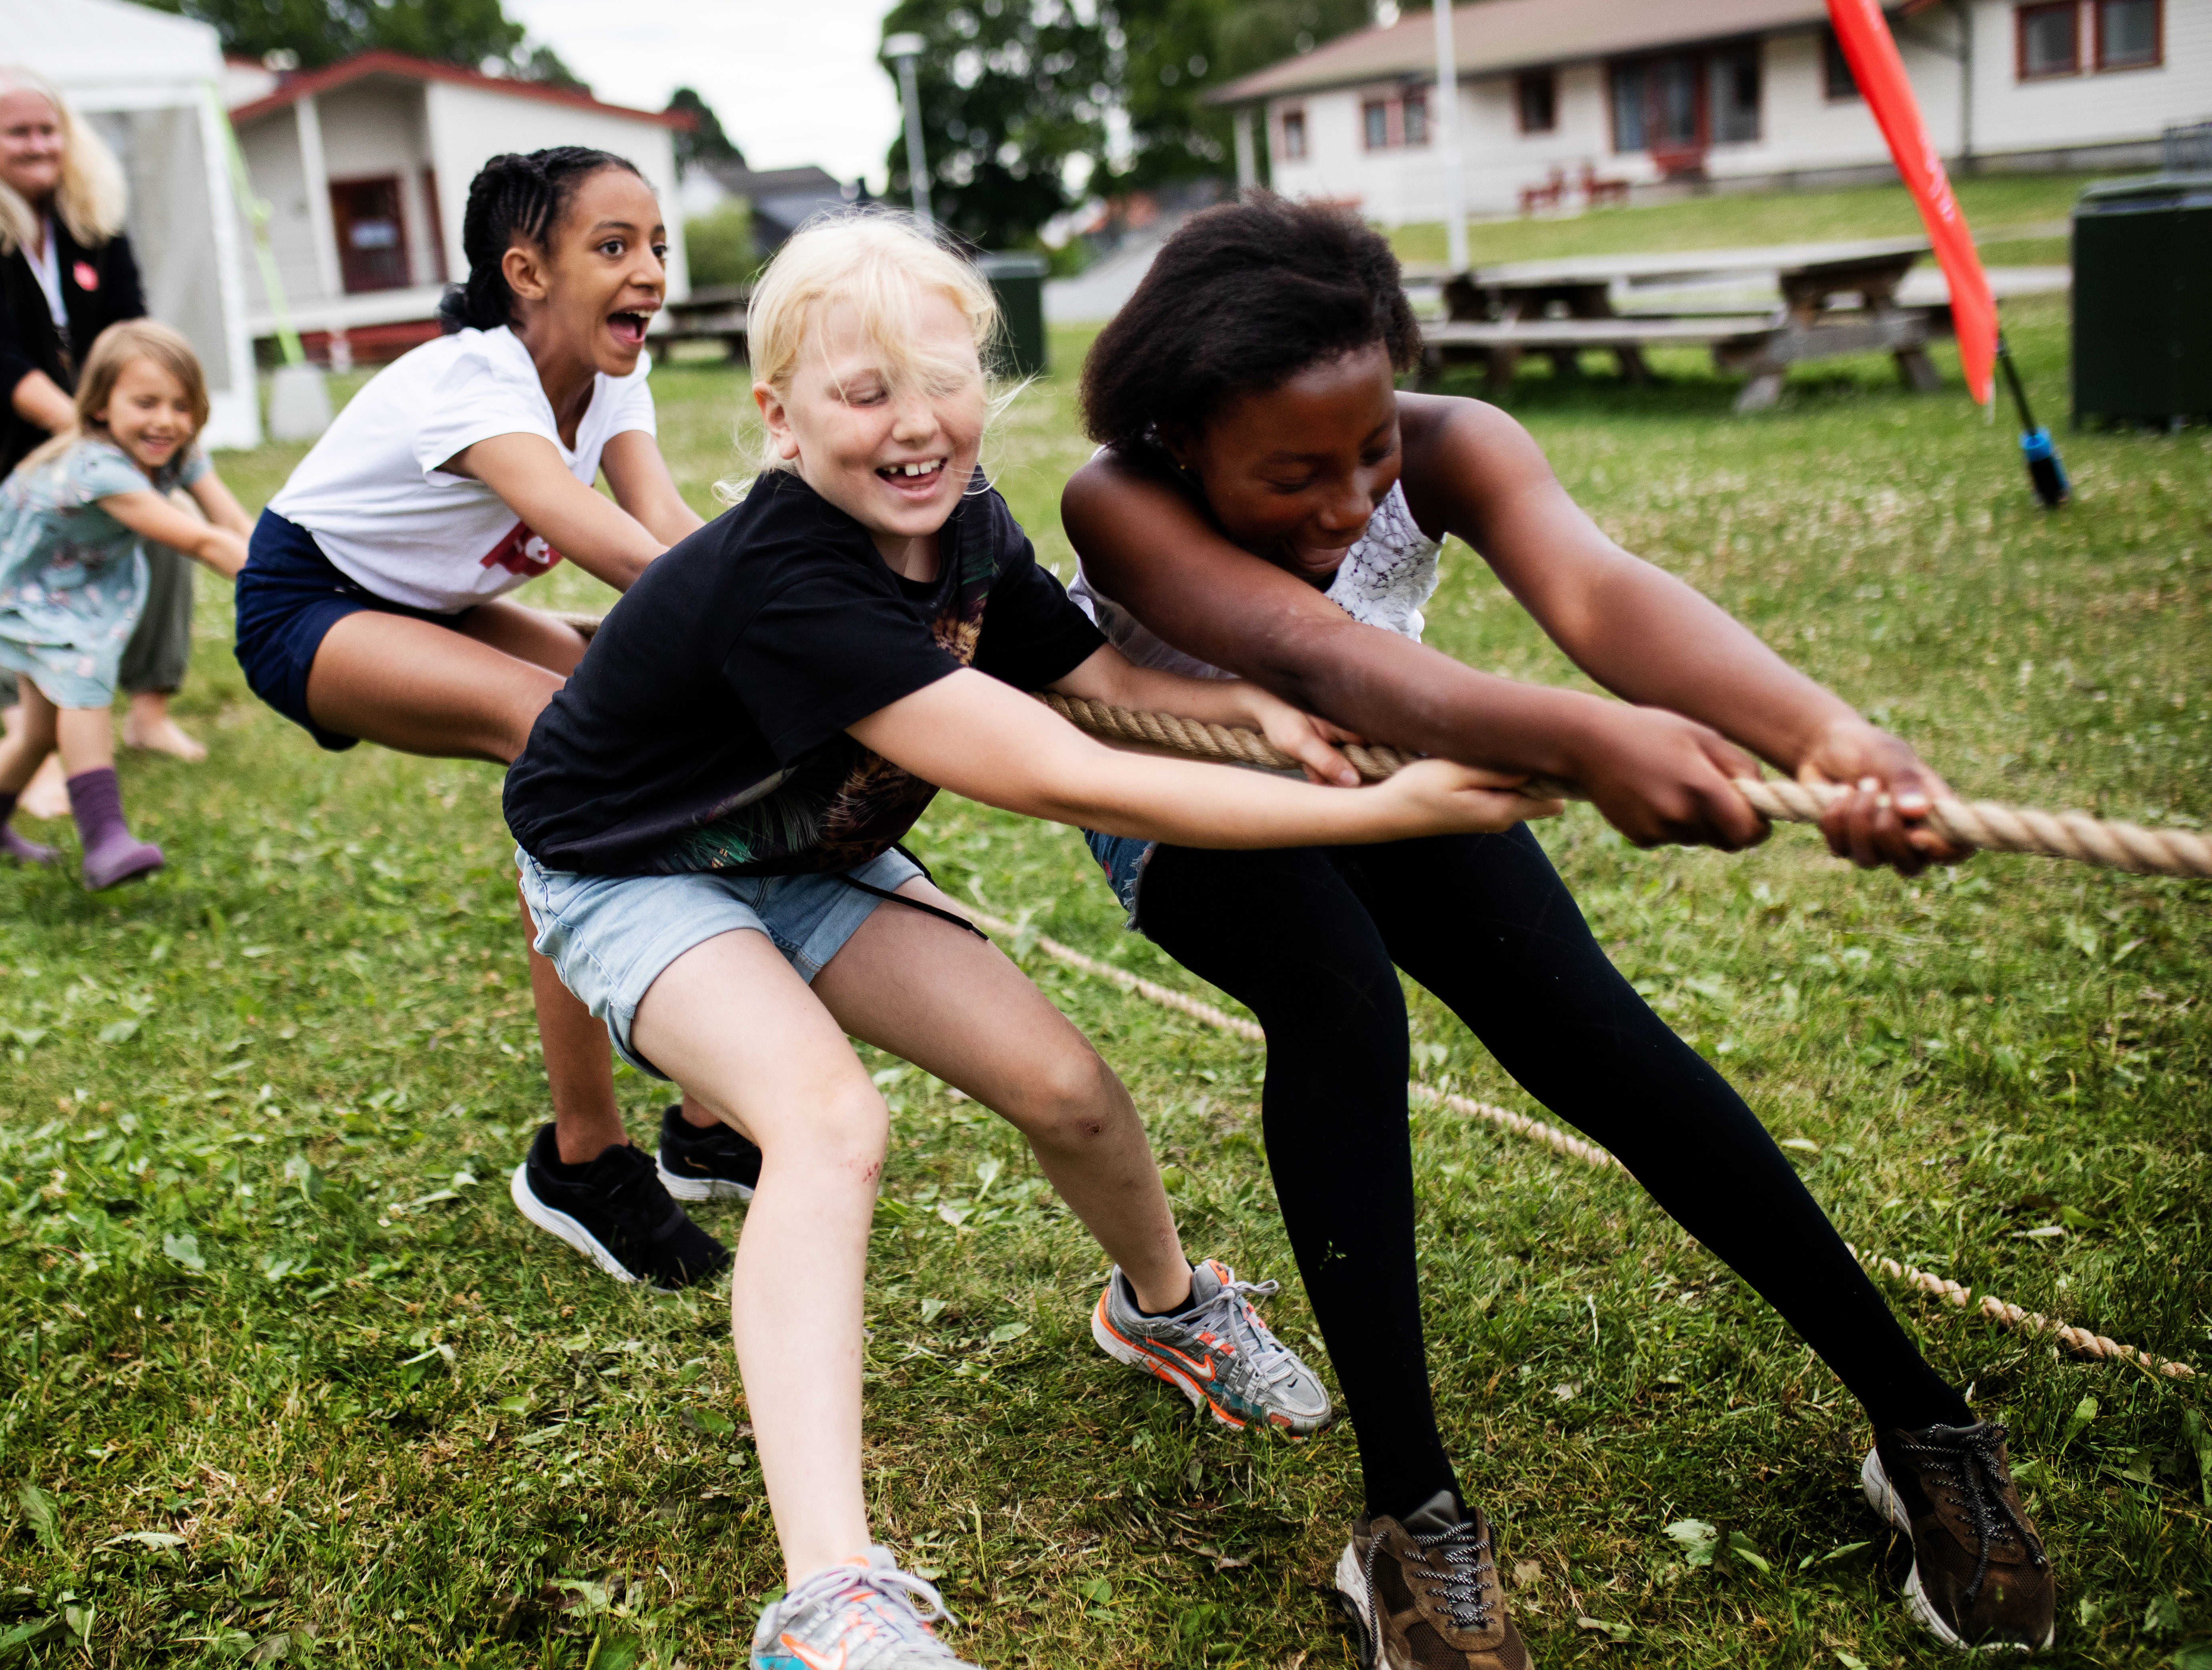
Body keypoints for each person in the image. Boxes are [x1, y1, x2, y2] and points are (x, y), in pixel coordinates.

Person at [501, 213, 1556, 1670]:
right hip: (627, 874)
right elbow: (1060, 770)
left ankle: (1166, 1312)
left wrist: (1253, 710)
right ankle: (830, 1602)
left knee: (1068, 1090)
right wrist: (1395, 811)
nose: (915, 425)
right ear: (780, 414)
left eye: (943, 382)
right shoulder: (787, 576)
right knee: (828, 1124)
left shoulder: (968, 526)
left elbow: (1096, 681)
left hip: (808, 856)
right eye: (863, 395)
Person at [1059, 194, 2055, 1665]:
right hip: (1195, 802)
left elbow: (1599, 588)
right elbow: (1313, 652)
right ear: (1185, 437)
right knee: (1341, 1000)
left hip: (1404, 758)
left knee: (1591, 1028)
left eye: (1372, 448)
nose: (1348, 501)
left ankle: (1919, 1421)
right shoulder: (1115, 497)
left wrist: (1831, 734)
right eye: (1295, 474)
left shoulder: (1455, 441)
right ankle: (1407, 1516)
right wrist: (1590, 741)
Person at [235, 147, 753, 1291]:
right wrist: (768, 619)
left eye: (657, 245)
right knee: (561, 736)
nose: (651, 272)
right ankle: (583, 1158)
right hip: (308, 605)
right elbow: (599, 537)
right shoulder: (478, 380)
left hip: (440, 603)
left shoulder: (616, 376)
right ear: (526, 270)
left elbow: (659, 515)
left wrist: (771, 594)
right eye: (613, 247)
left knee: (652, 726)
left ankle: (708, 1125)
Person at [0, 64, 211, 820]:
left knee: (159, 537)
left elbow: (133, 326)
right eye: (19, 132)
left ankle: (151, 711)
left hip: (96, 425)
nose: (39, 145)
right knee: (3, 578)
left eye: (49, 129)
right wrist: (99, 437)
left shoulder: (92, 220)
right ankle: (27, 746)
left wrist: (135, 430)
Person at [0, 322, 250, 890]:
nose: (166, 420)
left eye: (182, 406)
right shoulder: (99, 467)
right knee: (83, 674)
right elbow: (203, 541)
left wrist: (292, 570)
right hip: (16, 586)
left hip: (71, 583)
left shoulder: (175, 451)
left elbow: (231, 523)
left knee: (38, 732)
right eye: (145, 403)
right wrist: (284, 591)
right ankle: (105, 840)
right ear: (100, 409)